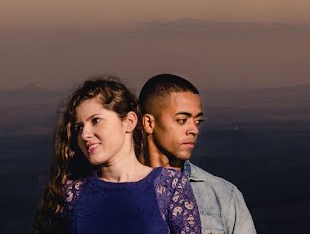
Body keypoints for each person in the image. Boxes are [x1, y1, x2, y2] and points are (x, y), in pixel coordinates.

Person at [32, 76, 201, 234]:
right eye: (79, 127)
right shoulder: (72, 193)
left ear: (129, 122)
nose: (84, 134)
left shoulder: (170, 186)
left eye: (96, 120)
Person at [139, 74, 257, 234]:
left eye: (197, 121)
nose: (194, 130)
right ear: (149, 123)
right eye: (182, 120)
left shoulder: (224, 197)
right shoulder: (113, 190)